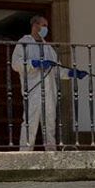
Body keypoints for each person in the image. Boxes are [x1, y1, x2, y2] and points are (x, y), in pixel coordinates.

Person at [11, 15, 87, 151]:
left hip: (50, 92)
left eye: (46, 26)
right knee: (30, 125)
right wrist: (34, 63)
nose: (46, 28)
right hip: (33, 91)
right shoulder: (24, 43)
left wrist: (72, 73)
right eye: (44, 25)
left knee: (50, 126)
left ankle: (51, 155)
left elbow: (58, 70)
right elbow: (16, 64)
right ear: (35, 25)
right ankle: (24, 155)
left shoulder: (48, 48)